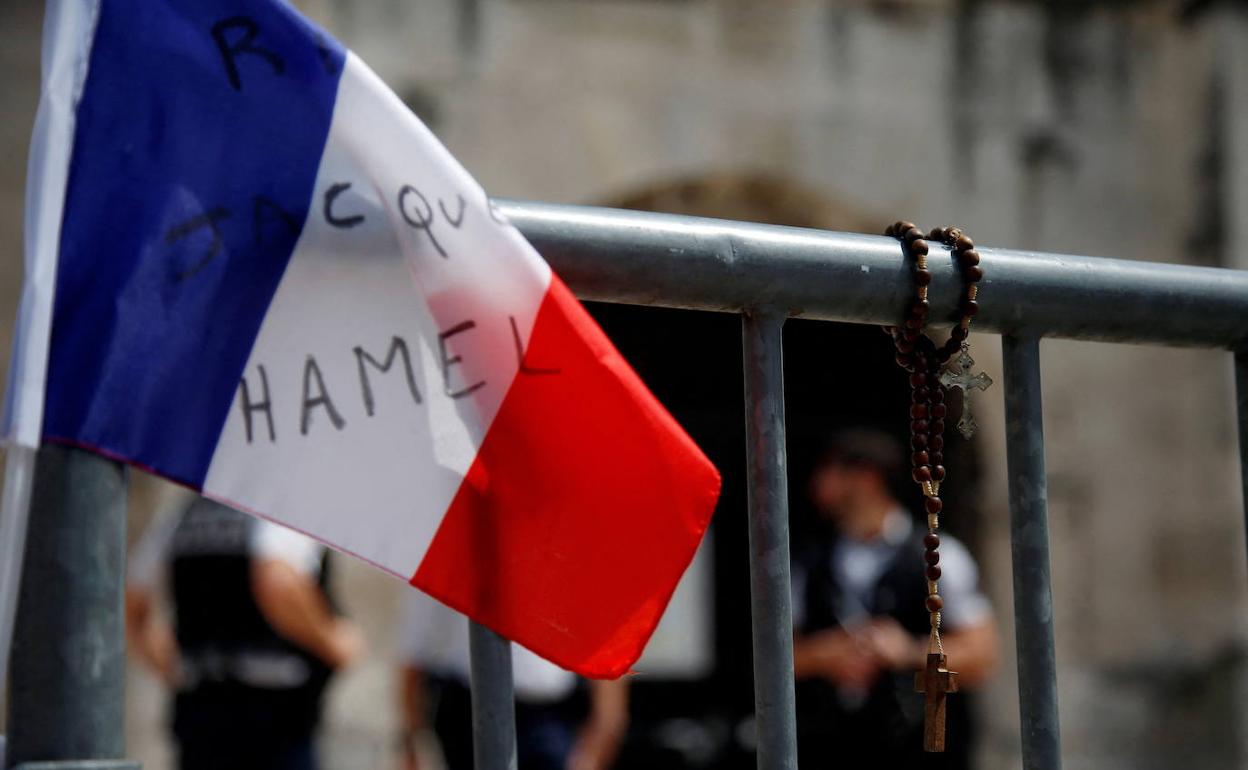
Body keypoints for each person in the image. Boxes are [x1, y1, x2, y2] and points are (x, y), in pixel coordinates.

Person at [791, 428, 998, 769]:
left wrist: (907, 652)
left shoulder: (940, 556)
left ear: (866, 478)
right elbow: (774, 658)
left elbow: (982, 656)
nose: (816, 484)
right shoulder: (807, 563)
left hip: (919, 750)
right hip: (831, 747)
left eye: (829, 471)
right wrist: (825, 654)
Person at [126, 494, 364, 770]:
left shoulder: (183, 514)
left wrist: (170, 666)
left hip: (200, 711)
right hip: (274, 720)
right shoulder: (281, 508)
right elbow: (276, 582)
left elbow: (132, 602)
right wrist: (333, 640)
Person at [397, 590, 628, 770]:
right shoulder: (453, 548)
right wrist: (410, 737)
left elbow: (603, 641)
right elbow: (414, 652)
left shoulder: (570, 555)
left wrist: (604, 728)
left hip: (548, 718)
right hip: (467, 714)